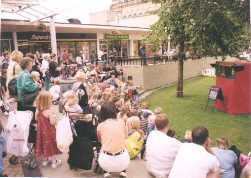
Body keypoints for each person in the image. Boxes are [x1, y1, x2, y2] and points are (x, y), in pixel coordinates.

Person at [97, 102, 130, 178]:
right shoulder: (122, 122)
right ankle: (123, 171)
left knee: (103, 146)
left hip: (105, 162)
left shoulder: (100, 126)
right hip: (123, 161)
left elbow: (100, 140)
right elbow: (125, 137)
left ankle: (106, 172)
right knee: (124, 144)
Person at [146, 113, 182, 178]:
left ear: (155, 125)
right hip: (163, 174)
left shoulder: (151, 134)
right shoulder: (173, 142)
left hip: (150, 169)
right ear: (168, 125)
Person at [34, 91, 62, 168]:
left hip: (41, 132)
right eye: (50, 100)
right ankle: (54, 162)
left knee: (43, 145)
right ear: (47, 102)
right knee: (52, 146)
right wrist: (56, 117)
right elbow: (53, 122)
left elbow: (36, 118)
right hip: (49, 132)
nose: (51, 101)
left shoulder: (38, 110)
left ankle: (45, 160)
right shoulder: (49, 111)